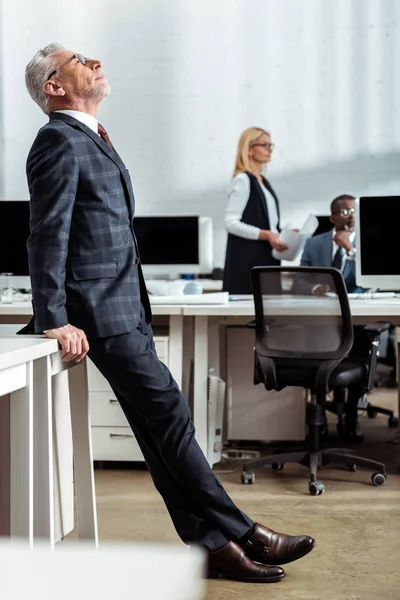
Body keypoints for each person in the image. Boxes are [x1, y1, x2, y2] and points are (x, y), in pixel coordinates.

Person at [23, 44, 315, 583]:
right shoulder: (57, 141)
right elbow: (47, 235)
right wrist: (54, 316)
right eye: (79, 60)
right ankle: (246, 530)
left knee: (159, 435)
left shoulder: (91, 137)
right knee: (173, 419)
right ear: (54, 87)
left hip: (125, 304)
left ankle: (210, 547)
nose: (95, 62)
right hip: (100, 313)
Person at [299, 194, 366, 441]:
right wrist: (313, 289)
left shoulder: (366, 243)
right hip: (321, 321)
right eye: (346, 211)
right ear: (333, 217)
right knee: (313, 349)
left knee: (363, 342)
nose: (351, 216)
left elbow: (371, 283)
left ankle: (351, 414)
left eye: (355, 211)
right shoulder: (314, 243)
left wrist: (351, 249)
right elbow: (301, 279)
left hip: (357, 321)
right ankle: (319, 418)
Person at [223, 127, 288, 295]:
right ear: (249, 150)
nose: (269, 149)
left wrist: (282, 234)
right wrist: (267, 235)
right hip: (248, 263)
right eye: (264, 145)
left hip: (266, 260)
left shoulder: (263, 181)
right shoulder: (243, 180)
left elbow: (268, 223)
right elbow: (231, 223)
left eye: (270, 145)